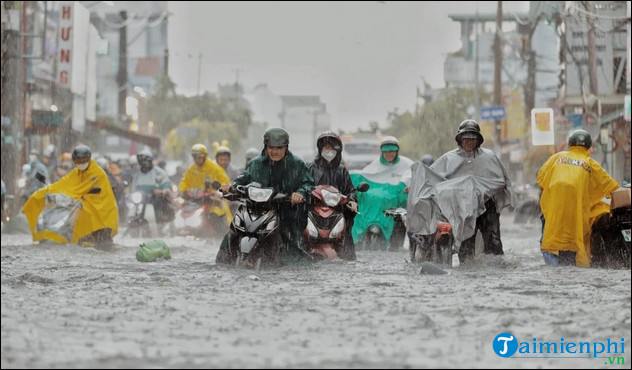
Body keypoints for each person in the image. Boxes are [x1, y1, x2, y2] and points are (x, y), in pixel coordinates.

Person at [406, 119, 515, 264]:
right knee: (466, 244)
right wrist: (415, 186)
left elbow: (500, 181)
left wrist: (477, 190)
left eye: (472, 138)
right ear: (460, 140)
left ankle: (496, 271)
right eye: (465, 138)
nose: (469, 142)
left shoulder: (489, 157)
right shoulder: (448, 158)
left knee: (493, 241)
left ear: (478, 140)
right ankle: (467, 270)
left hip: (486, 206)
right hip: (462, 209)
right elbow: (432, 177)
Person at [216, 127, 315, 266]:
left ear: (286, 147)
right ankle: (224, 263)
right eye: (271, 147)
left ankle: (290, 264)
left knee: (290, 242)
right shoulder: (256, 163)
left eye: (279, 147)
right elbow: (242, 179)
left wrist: (300, 193)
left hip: (286, 211)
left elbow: (308, 183)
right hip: (255, 208)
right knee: (235, 230)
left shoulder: (296, 164)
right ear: (265, 146)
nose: (274, 151)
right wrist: (231, 186)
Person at [537, 129, 621, 268]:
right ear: (588, 146)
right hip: (575, 216)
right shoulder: (591, 163)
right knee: (571, 246)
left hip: (553, 215)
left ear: (570, 144)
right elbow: (612, 187)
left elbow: (541, 179)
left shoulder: (556, 158)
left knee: (551, 245)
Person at [22, 144, 119, 249]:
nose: (81, 163)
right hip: (82, 205)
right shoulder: (75, 173)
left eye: (84, 160)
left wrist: (87, 194)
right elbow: (62, 184)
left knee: (102, 241)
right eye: (78, 161)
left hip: (100, 209)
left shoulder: (98, 173)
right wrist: (46, 191)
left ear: (89, 159)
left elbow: (92, 190)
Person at [350, 135, 413, 251]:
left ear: (397, 151)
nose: (389, 154)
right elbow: (364, 176)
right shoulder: (375, 166)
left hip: (397, 213)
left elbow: (413, 180)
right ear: (382, 152)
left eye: (392, 151)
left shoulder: (407, 165)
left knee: (397, 244)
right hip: (375, 212)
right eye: (386, 152)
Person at [306, 131, 358, 260]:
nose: (329, 151)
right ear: (320, 149)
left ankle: (348, 259)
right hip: (314, 213)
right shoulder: (310, 168)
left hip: (337, 213)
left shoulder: (342, 171)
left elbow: (350, 190)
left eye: (332, 148)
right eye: (326, 148)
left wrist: (352, 200)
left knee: (346, 233)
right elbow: (303, 186)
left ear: (338, 150)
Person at [179, 143, 232, 230]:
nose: (197, 160)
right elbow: (185, 181)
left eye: (199, 157)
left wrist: (218, 192)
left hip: (213, 199)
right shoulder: (191, 169)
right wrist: (181, 191)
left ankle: (221, 232)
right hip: (197, 199)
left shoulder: (214, 168)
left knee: (215, 213)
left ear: (204, 157)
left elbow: (226, 182)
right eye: (195, 157)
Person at [129, 149, 174, 229]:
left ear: (150, 161)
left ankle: (158, 222)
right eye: (142, 162)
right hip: (140, 198)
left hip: (155, 197)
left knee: (159, 202)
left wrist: (162, 191)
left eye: (145, 162)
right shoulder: (137, 174)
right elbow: (133, 188)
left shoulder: (159, 172)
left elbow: (166, 184)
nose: (144, 165)